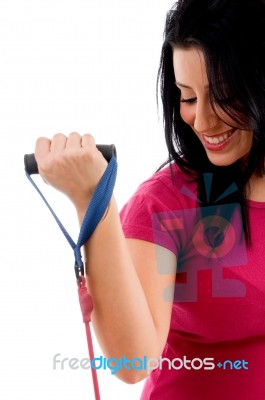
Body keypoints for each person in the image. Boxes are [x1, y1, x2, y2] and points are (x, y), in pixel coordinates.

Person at [34, 0, 265, 398]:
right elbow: (132, 361)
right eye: (188, 97)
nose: (204, 122)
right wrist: (94, 199)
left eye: (225, 96)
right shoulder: (166, 204)